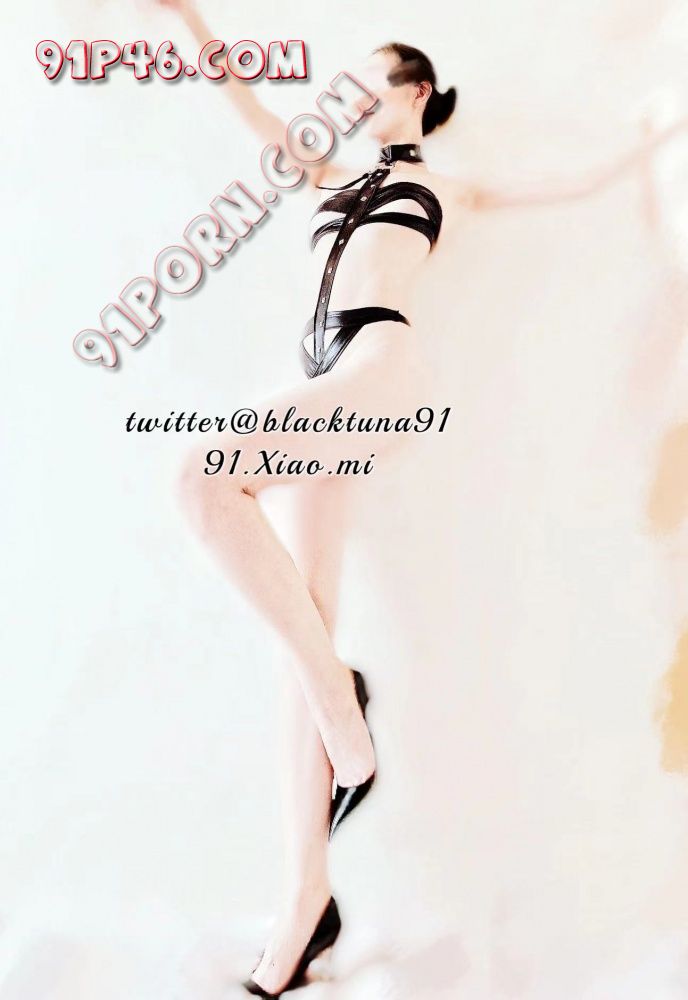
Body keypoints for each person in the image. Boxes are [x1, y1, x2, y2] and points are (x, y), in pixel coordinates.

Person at [156, 3, 687, 995]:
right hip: (319, 374)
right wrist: (186, 17)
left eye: (367, 81)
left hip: (376, 363)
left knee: (201, 476)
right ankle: (305, 904)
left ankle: (342, 702)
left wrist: (660, 129)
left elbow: (578, 180)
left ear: (414, 91)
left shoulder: (448, 182)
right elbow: (246, 105)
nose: (350, 97)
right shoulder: (328, 173)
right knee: (302, 633)